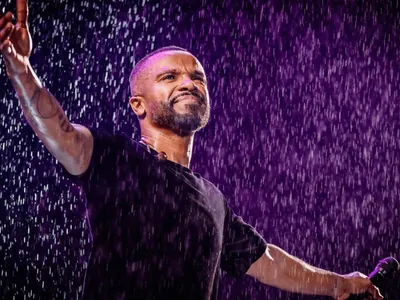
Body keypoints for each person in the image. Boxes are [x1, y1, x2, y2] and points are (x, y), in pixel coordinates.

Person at [0, 1, 383, 300]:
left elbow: (266, 260)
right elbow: (60, 131)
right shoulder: (117, 161)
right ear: (138, 104)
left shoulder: (213, 199)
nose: (189, 83)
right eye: (170, 77)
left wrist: (340, 284)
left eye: (196, 77)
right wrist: (20, 68)